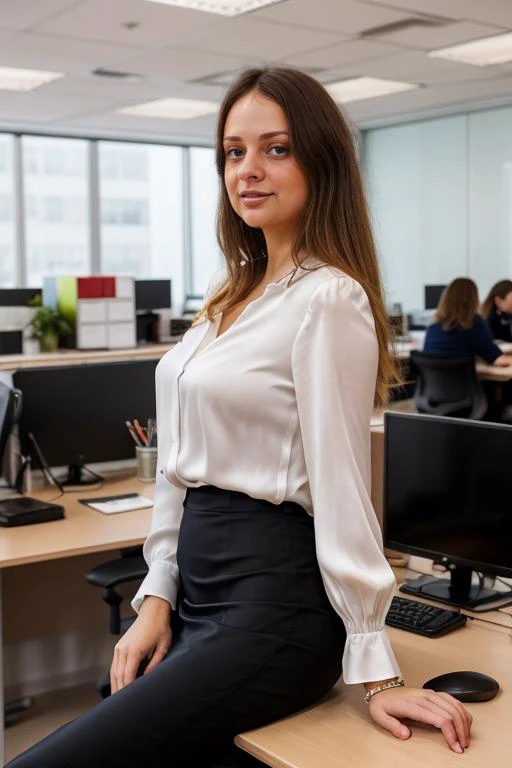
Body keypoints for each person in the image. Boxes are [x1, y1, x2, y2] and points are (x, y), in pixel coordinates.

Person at [7, 67, 473, 768]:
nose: (249, 171)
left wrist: (376, 667)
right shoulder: (228, 300)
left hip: (274, 607)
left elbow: (341, 485)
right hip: (198, 592)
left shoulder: (328, 299)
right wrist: (157, 597)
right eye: (234, 151)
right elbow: (175, 469)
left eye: (276, 149)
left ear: (320, 160)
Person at [424, 277, 512, 365]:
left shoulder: (432, 327)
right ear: (473, 299)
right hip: (462, 378)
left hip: (434, 379)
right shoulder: (472, 324)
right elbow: (497, 359)